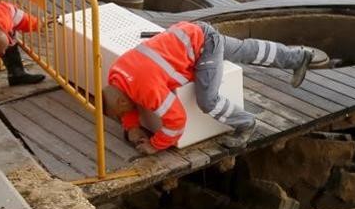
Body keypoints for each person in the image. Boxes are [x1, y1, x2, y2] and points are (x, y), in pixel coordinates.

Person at [102, 21, 314, 153]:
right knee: (245, 51)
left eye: (119, 114)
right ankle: (298, 57)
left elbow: (176, 121)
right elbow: (125, 105)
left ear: (121, 100)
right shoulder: (116, 73)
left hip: (203, 46)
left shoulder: (146, 89)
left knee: (207, 100)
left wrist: (155, 145)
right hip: (193, 32)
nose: (121, 116)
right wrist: (131, 127)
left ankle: (246, 123)